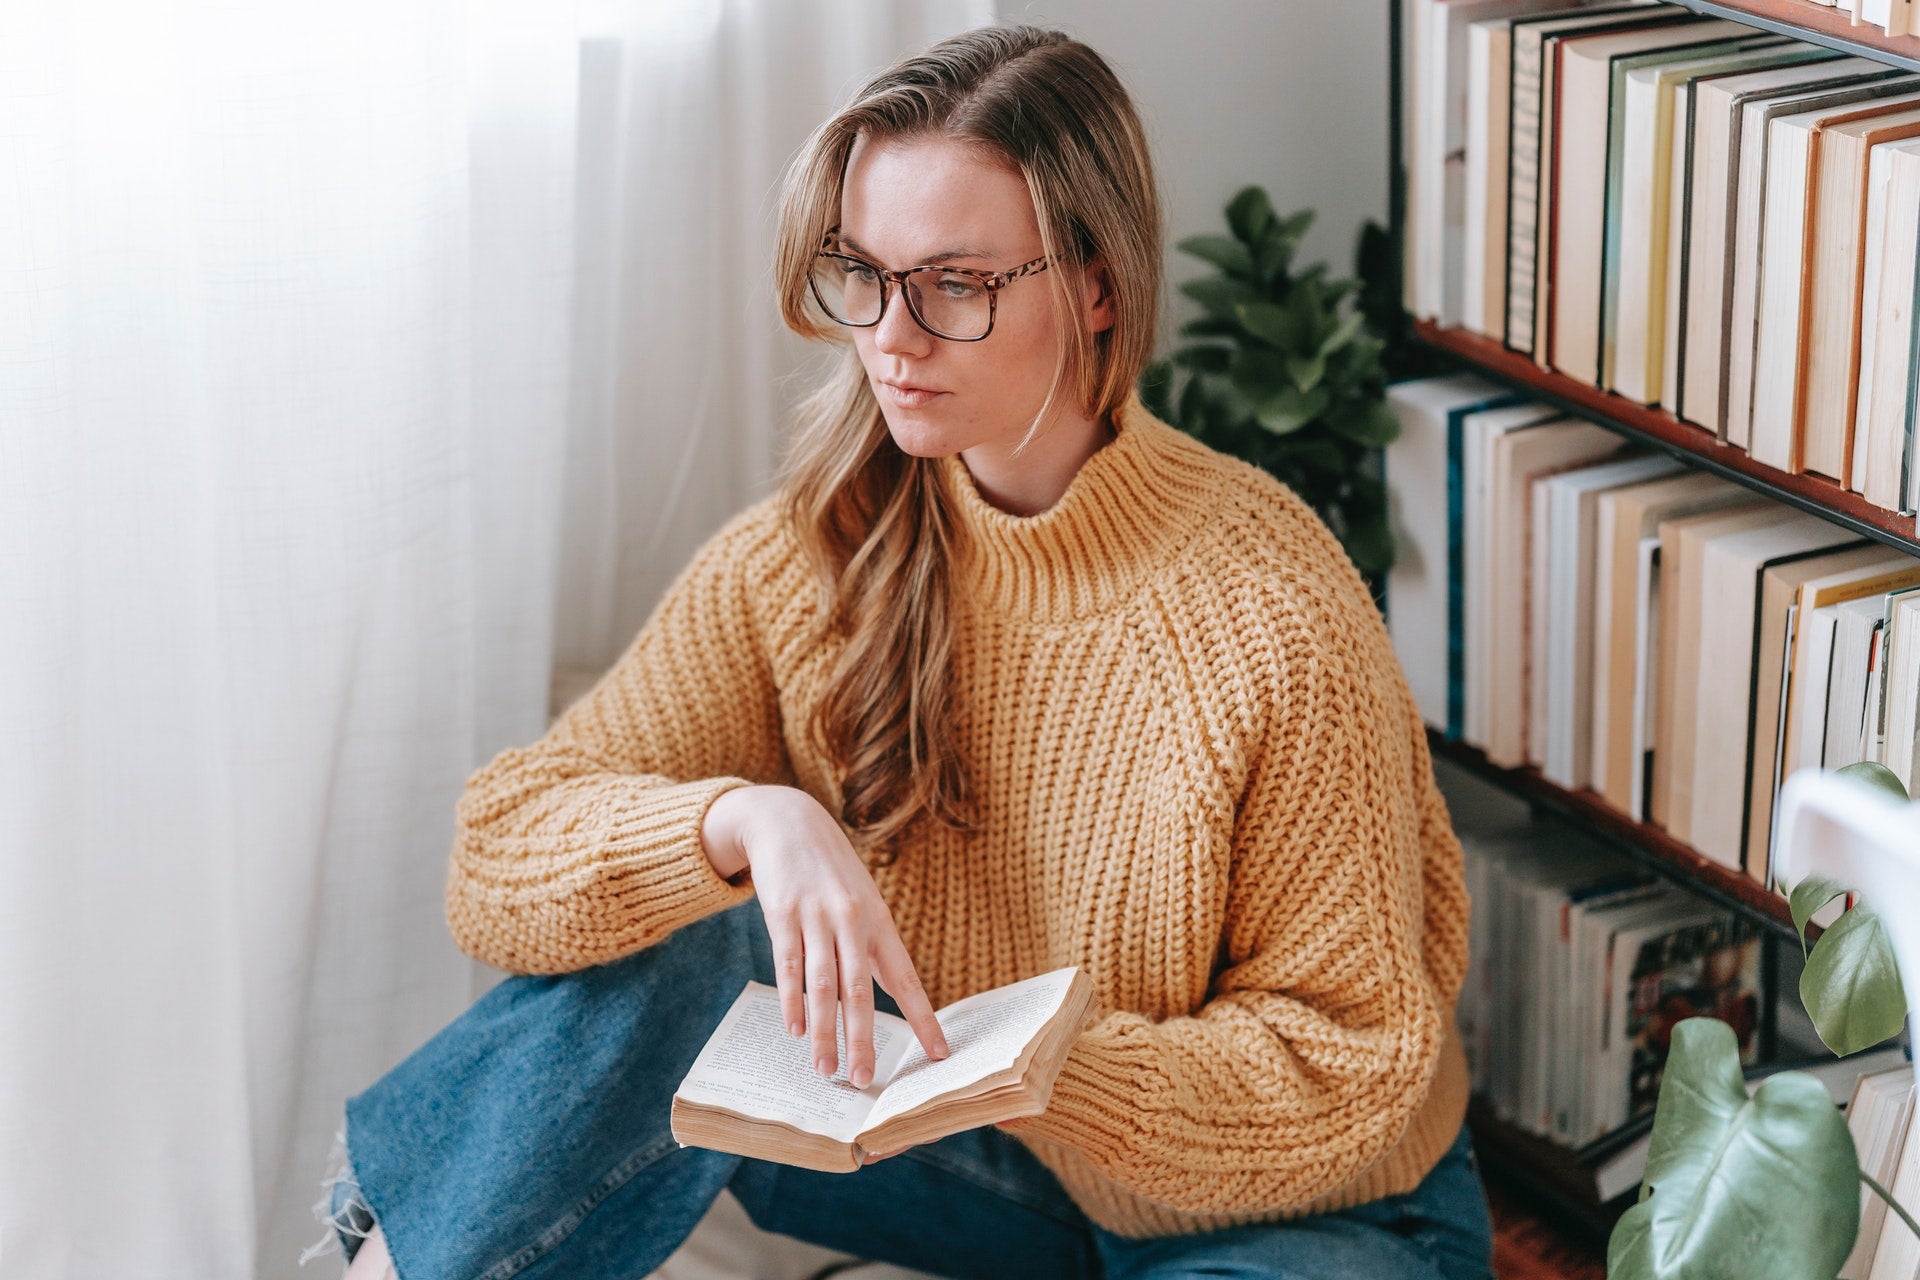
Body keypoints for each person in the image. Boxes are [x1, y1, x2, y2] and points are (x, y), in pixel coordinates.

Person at [309, 23, 1493, 1280]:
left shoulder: (1270, 605)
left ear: (1097, 287)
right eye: (864, 275)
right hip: (1000, 1168)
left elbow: (1351, 1065)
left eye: (955, 284)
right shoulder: (816, 552)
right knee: (688, 940)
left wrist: (1031, 1060)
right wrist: (743, 823)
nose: (891, 337)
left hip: (1317, 1215)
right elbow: (497, 855)